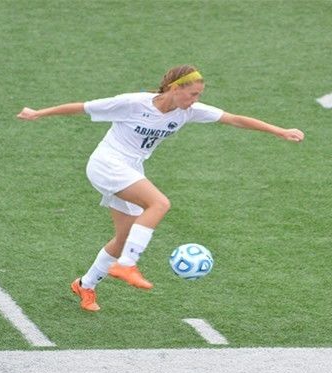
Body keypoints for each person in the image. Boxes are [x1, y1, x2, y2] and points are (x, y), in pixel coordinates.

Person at [17, 65, 304, 312]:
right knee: (159, 204)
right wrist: (38, 113)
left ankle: (85, 285)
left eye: (199, 95)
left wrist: (280, 131)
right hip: (107, 163)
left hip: (130, 170)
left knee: (122, 238)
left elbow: (234, 119)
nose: (196, 100)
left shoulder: (188, 111)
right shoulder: (133, 103)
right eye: (192, 94)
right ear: (173, 88)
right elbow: (83, 107)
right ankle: (128, 264)